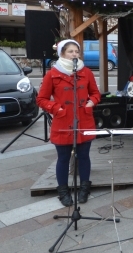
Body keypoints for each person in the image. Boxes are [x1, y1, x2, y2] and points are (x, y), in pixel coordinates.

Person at [37, 40, 101, 207]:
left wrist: (91, 103)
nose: (74, 54)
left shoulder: (86, 72)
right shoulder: (52, 74)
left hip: (84, 120)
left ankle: (84, 187)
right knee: (63, 158)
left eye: (76, 51)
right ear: (62, 53)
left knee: (84, 156)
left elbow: (95, 93)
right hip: (63, 121)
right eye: (70, 51)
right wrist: (56, 109)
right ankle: (63, 191)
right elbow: (41, 99)